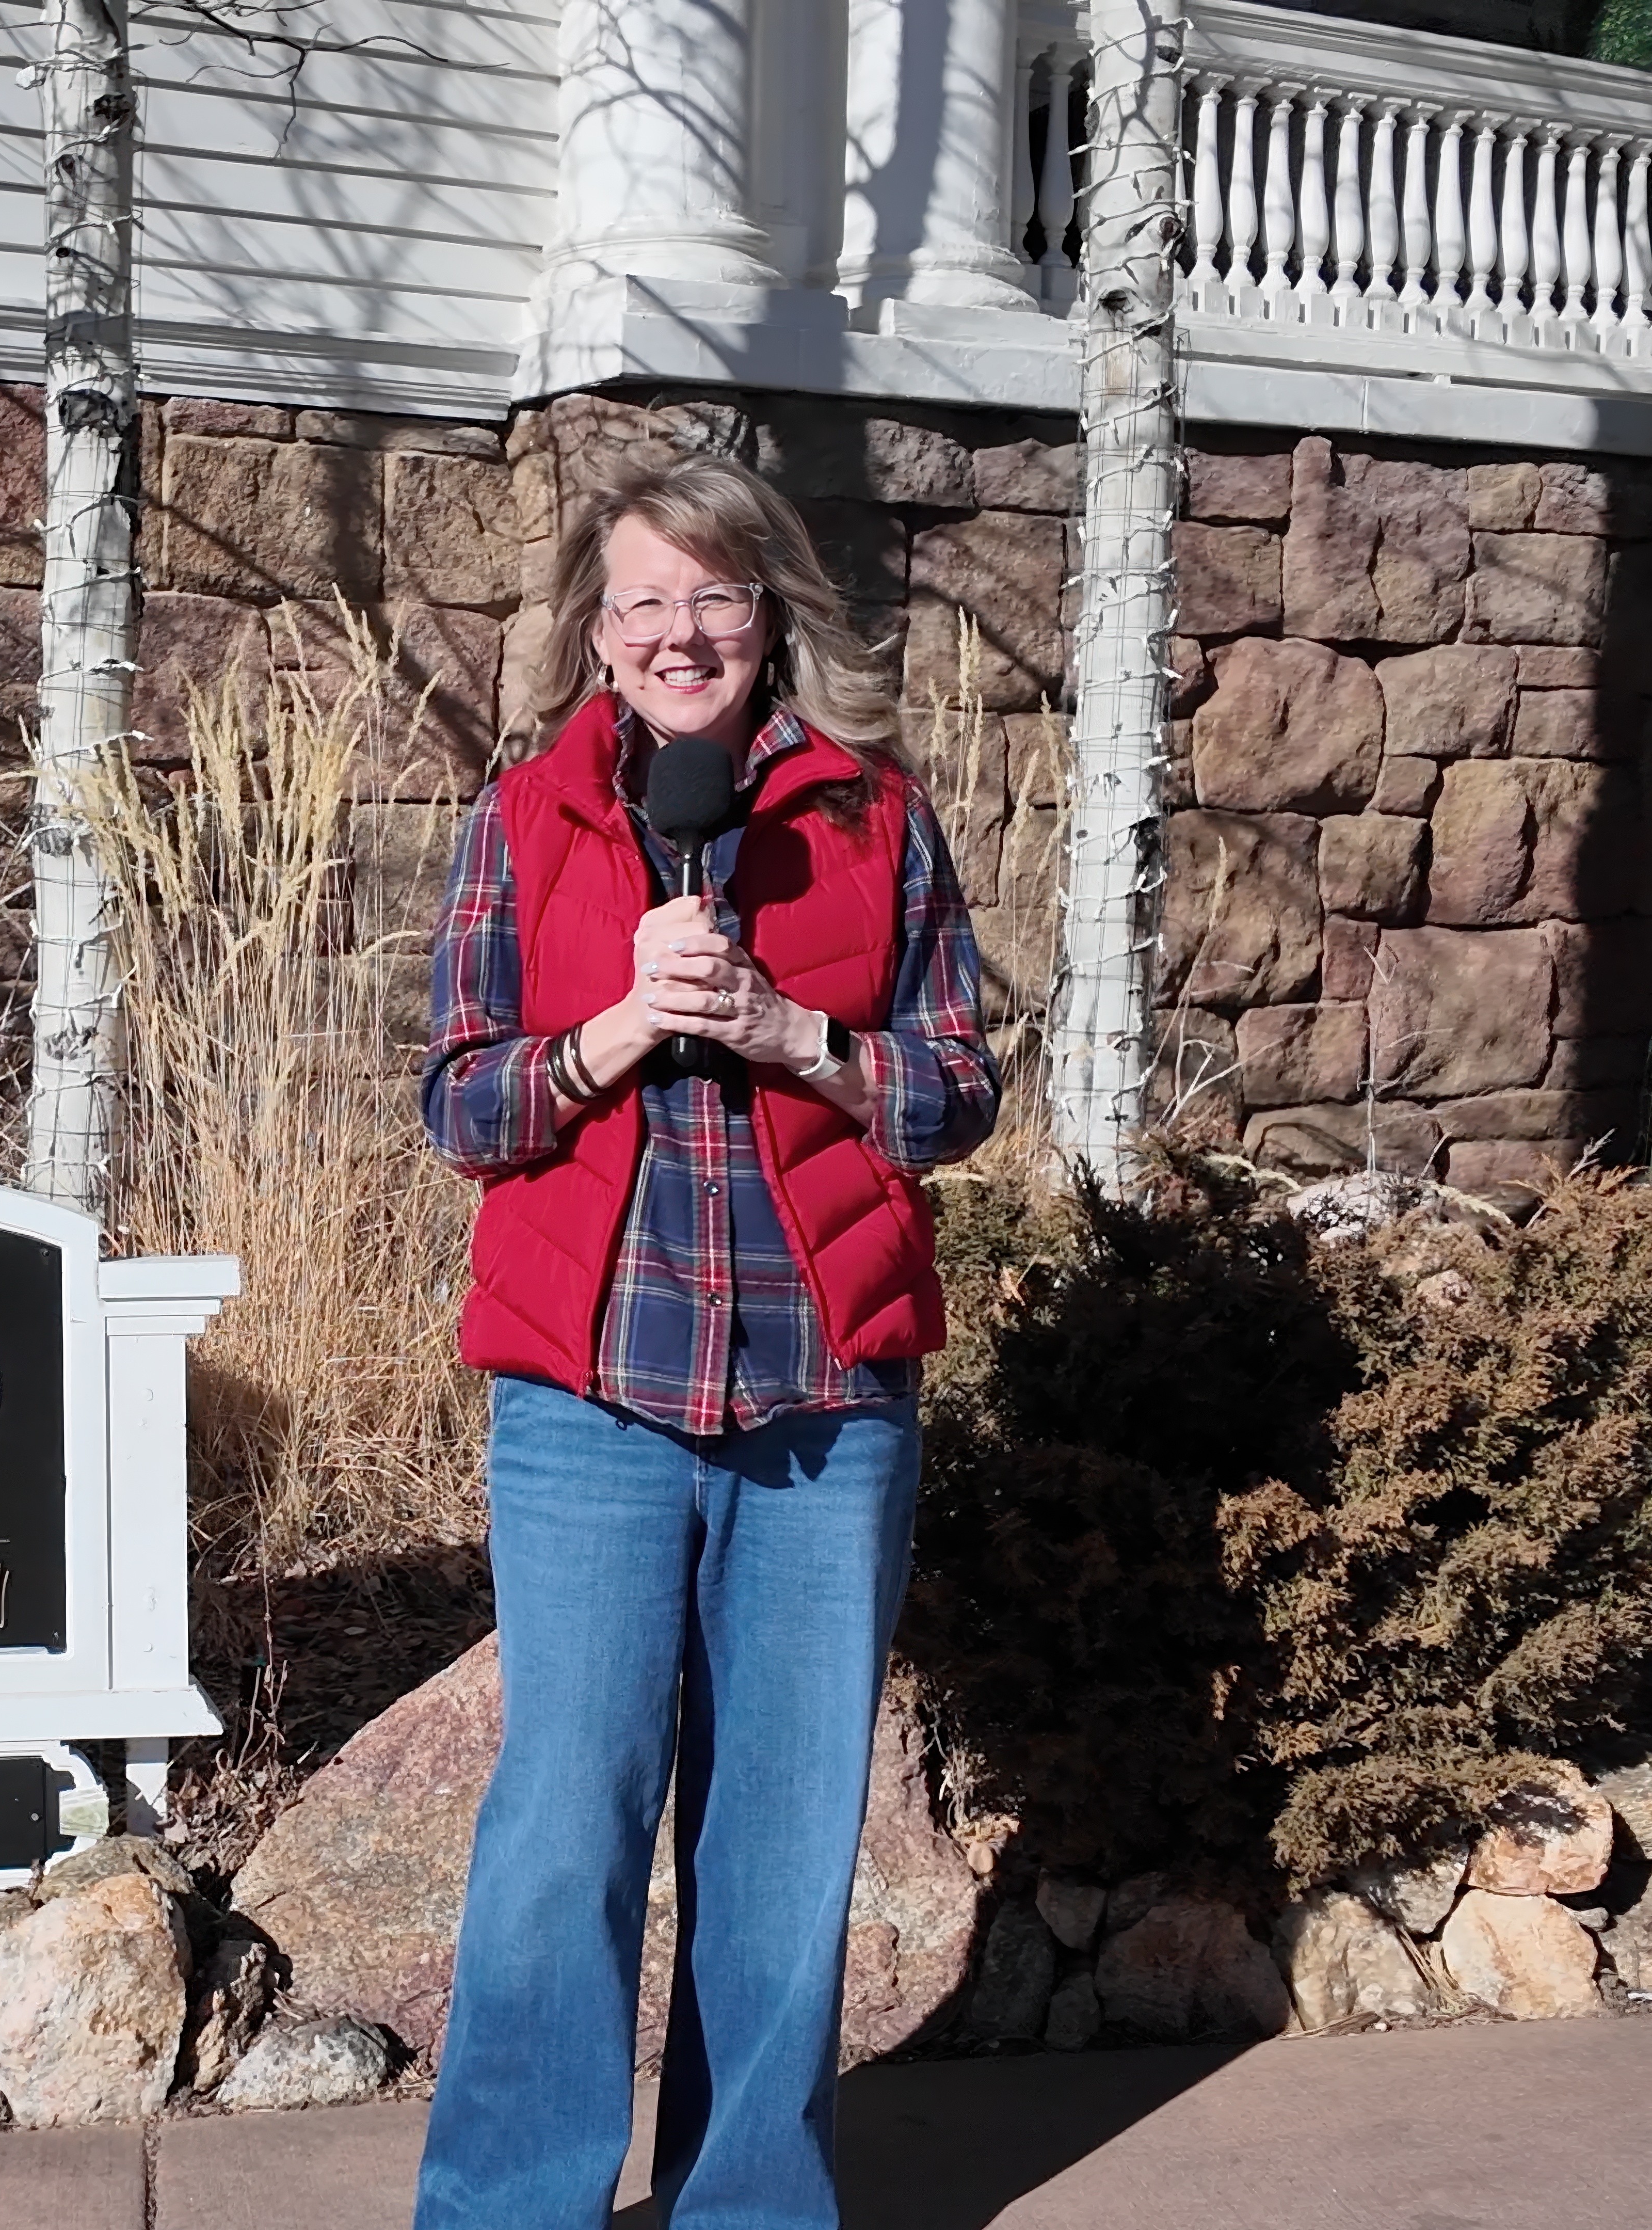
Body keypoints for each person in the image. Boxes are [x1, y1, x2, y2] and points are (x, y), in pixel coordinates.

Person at [412, 454, 1000, 2230]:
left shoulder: (876, 823)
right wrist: (604, 1039)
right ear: (598, 637)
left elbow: (956, 1088)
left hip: (828, 1400)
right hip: (590, 1395)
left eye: (715, 598)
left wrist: (789, 1029)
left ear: (773, 619)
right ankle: (509, 2206)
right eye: (645, 601)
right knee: (563, 1824)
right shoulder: (523, 822)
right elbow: (462, 1103)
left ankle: (751, 2203)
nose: (682, 632)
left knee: (783, 1837)